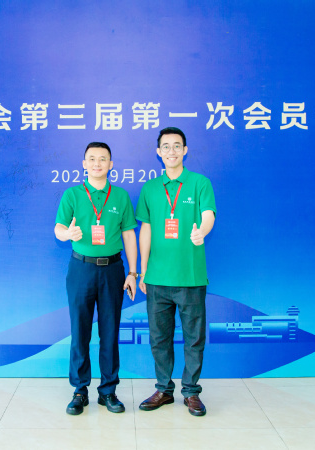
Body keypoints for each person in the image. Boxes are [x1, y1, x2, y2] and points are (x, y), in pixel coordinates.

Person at [136, 127, 216, 416]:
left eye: (177, 145)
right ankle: (163, 389)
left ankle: (191, 392)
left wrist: (201, 232)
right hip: (157, 279)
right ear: (159, 152)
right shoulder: (150, 188)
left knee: (194, 338)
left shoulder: (199, 183)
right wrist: (143, 270)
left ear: (185, 150)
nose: (172, 151)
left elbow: (208, 215)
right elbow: (145, 229)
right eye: (166, 146)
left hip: (190, 277)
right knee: (159, 338)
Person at [54, 142, 139, 415]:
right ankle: (80, 390)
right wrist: (68, 234)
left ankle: (108, 391)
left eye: (103, 159)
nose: (97, 163)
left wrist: (133, 272)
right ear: (84, 164)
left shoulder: (120, 196)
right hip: (81, 268)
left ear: (111, 164)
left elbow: (129, 234)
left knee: (110, 332)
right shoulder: (72, 194)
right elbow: (58, 228)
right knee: (80, 331)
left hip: (113, 270)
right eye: (92, 159)